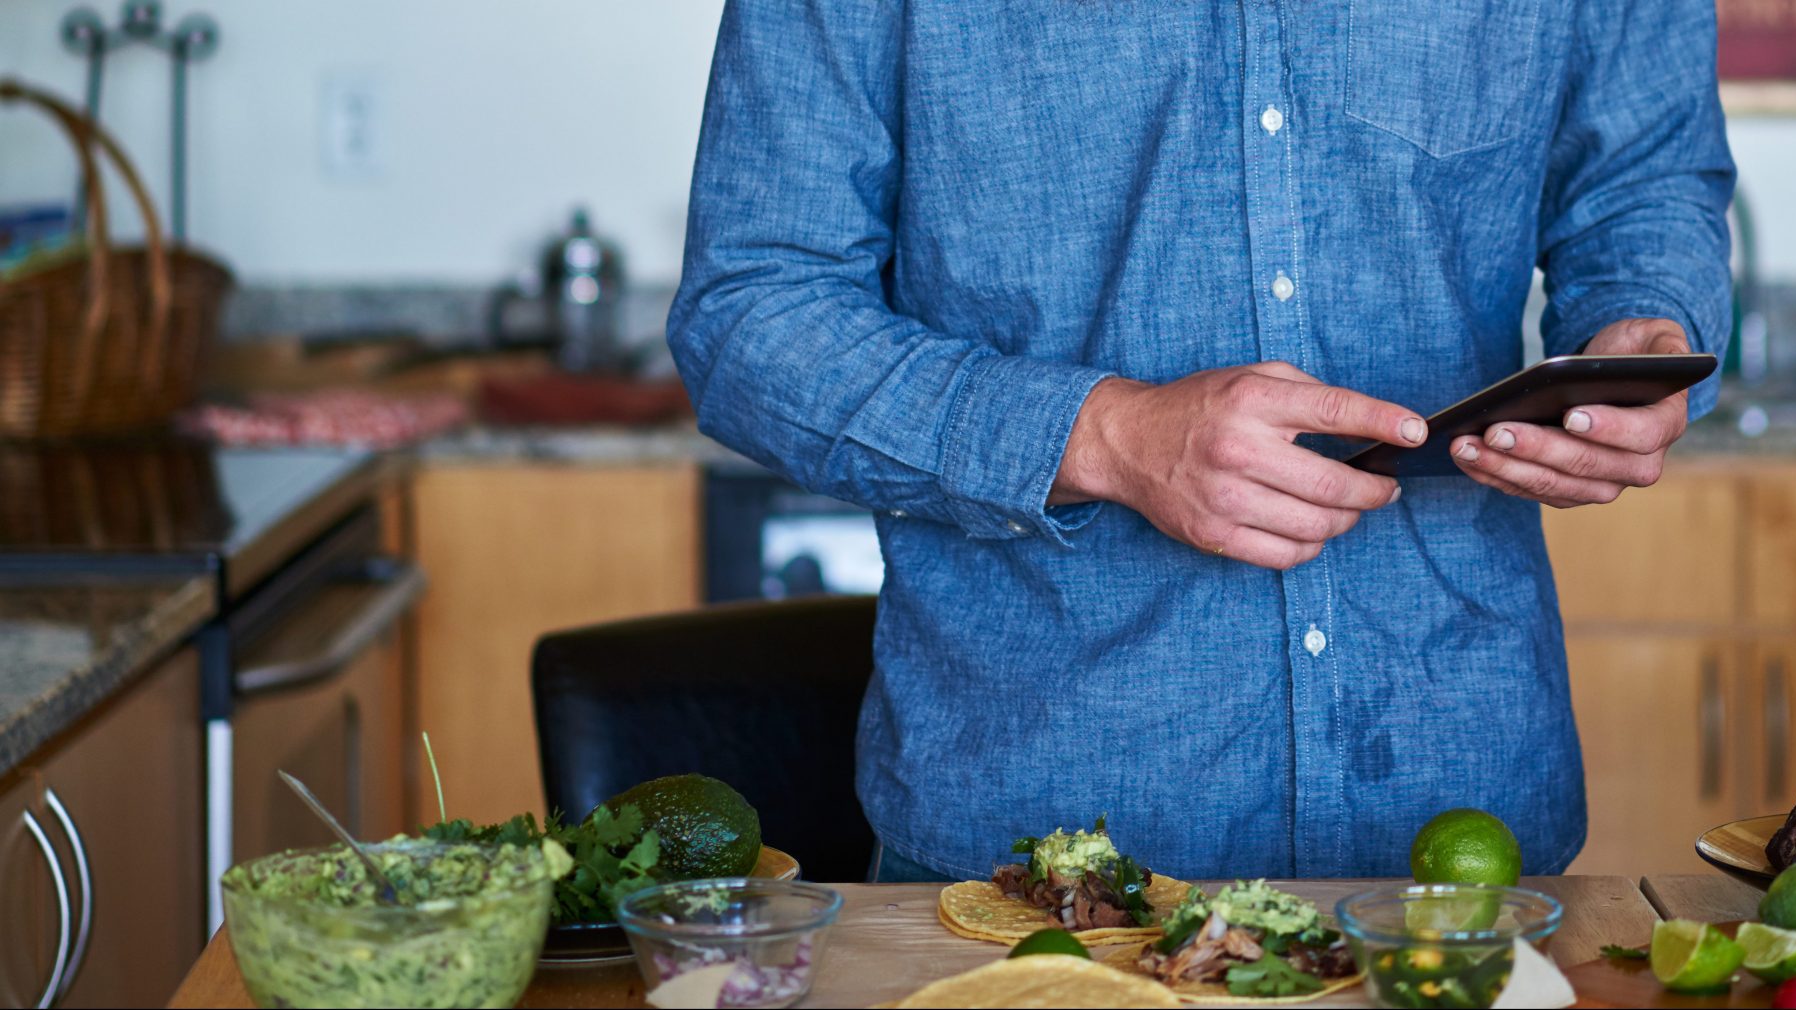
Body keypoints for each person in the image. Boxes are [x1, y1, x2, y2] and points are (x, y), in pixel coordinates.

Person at [668, 1, 1734, 882]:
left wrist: (1642, 324)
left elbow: (1643, 180)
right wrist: (1103, 436)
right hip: (1034, 836)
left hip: (1460, 806)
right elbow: (750, 312)